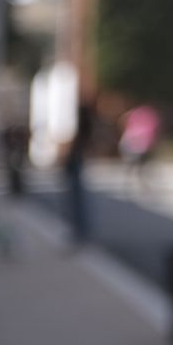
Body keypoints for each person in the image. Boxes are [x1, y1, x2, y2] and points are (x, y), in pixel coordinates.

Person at [64, 103, 94, 247]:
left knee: (76, 199)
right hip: (75, 162)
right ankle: (79, 231)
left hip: (75, 162)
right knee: (76, 200)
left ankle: (79, 233)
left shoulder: (80, 130)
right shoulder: (83, 129)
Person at [119, 103, 160, 192]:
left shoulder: (134, 114)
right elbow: (154, 131)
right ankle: (139, 182)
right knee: (140, 165)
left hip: (133, 143)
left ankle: (132, 181)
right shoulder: (149, 116)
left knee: (134, 164)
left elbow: (123, 120)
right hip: (140, 144)